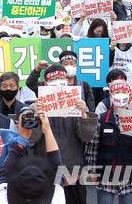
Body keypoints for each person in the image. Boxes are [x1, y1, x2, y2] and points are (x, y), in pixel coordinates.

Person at [31, 64, 98, 204]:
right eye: (53, 78)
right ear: (46, 83)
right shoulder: (37, 106)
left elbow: (87, 137)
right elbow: (31, 139)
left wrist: (84, 113)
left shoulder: (77, 105)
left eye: (61, 77)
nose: (58, 81)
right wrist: (35, 116)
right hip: (45, 172)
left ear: (67, 81)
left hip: (73, 172)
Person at [84, 80, 132, 204]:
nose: (121, 94)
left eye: (124, 92)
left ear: (129, 95)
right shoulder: (102, 119)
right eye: (117, 92)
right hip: (106, 174)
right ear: (111, 95)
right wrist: (92, 170)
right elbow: (93, 147)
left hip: (131, 175)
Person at [0, 112, 65, 204]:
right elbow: (58, 167)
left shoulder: (4, 200)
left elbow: (4, 172)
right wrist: (47, 131)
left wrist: (22, 140)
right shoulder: (55, 201)